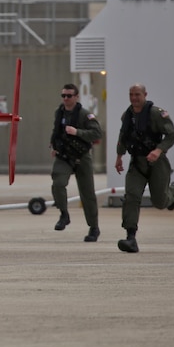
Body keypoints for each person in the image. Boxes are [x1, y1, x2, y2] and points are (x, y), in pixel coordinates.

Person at [114, 83, 174, 253]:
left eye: (137, 94)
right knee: (131, 197)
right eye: (131, 94)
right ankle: (131, 237)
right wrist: (119, 156)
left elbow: (171, 135)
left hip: (157, 163)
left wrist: (159, 150)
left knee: (159, 202)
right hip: (137, 163)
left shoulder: (156, 114)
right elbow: (123, 136)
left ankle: (172, 193)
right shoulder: (127, 116)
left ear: (145, 95)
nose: (134, 98)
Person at [49, 83, 103, 242]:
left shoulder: (85, 115)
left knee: (88, 194)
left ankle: (94, 227)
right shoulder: (59, 113)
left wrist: (77, 132)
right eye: (63, 95)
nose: (66, 98)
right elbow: (55, 131)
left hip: (81, 156)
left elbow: (97, 133)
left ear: (76, 97)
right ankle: (64, 214)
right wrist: (53, 145)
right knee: (58, 183)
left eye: (69, 96)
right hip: (64, 156)